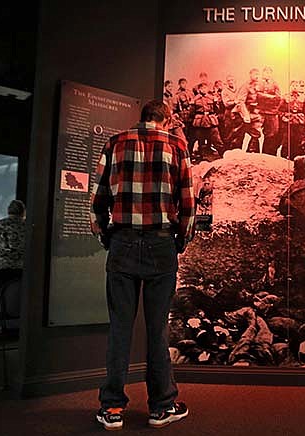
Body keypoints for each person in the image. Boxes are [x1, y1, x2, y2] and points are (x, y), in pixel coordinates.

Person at [90, 100, 194, 430]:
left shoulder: (114, 143)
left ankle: (112, 409)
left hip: (122, 241)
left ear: (143, 118)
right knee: (157, 329)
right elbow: (188, 204)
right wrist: (178, 241)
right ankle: (161, 406)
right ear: (164, 119)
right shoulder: (177, 145)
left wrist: (109, 237)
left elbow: (97, 201)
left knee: (120, 328)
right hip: (161, 243)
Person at [0, 200, 26, 317]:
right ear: (23, 211)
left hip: (1, 266)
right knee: (19, 296)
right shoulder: (27, 225)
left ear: (9, 210)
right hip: (21, 267)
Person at [258, 66, 282, 156]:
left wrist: (266, 97)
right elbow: (257, 95)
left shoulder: (275, 84)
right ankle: (254, 155)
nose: (267, 74)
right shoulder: (258, 83)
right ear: (262, 73)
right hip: (260, 112)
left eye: (269, 73)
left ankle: (268, 154)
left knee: (272, 134)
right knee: (255, 134)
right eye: (265, 72)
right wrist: (269, 97)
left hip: (272, 112)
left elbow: (278, 98)